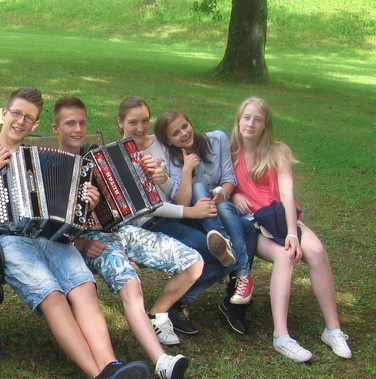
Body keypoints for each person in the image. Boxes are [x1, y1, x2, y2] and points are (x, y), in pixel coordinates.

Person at [0, 88, 155, 379]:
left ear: (35, 124)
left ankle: (111, 365)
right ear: (4, 113)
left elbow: (65, 210)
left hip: (47, 236)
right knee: (53, 295)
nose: (20, 121)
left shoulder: (36, 156)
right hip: (6, 240)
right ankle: (100, 377)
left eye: (28, 118)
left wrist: (86, 200)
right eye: (16, 113)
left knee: (84, 287)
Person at [52, 95, 197, 379]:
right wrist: (80, 242)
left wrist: (151, 174)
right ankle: (162, 362)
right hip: (89, 241)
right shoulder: (50, 166)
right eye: (70, 124)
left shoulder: (97, 157)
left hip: (122, 230)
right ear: (56, 128)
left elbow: (133, 196)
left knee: (193, 262)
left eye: (82, 123)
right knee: (131, 284)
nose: (78, 129)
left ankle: (155, 314)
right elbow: (47, 226)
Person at [118, 97, 257, 335]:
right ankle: (170, 306)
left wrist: (164, 179)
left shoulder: (160, 144)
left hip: (176, 214)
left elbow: (171, 190)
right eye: (133, 122)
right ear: (120, 123)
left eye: (144, 121)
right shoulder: (118, 156)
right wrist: (191, 210)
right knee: (217, 252)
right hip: (149, 222)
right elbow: (150, 206)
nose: (140, 128)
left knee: (246, 229)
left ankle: (234, 294)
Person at [230, 97, 352, 362]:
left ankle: (333, 330)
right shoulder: (230, 152)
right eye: (247, 117)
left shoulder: (278, 151)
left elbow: (287, 195)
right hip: (253, 224)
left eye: (258, 119)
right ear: (238, 120)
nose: (251, 124)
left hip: (281, 218)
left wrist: (292, 233)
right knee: (285, 256)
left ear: (265, 125)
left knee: (316, 251)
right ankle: (281, 337)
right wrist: (234, 195)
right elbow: (219, 184)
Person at [155, 109, 256, 308]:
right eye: (175, 134)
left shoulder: (217, 140)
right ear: (169, 141)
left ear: (190, 122)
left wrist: (220, 195)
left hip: (220, 205)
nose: (184, 133)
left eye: (185, 126)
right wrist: (187, 169)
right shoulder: (171, 159)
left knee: (236, 218)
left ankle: (230, 254)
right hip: (194, 215)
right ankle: (242, 272)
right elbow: (182, 203)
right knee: (198, 187)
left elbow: (229, 179)